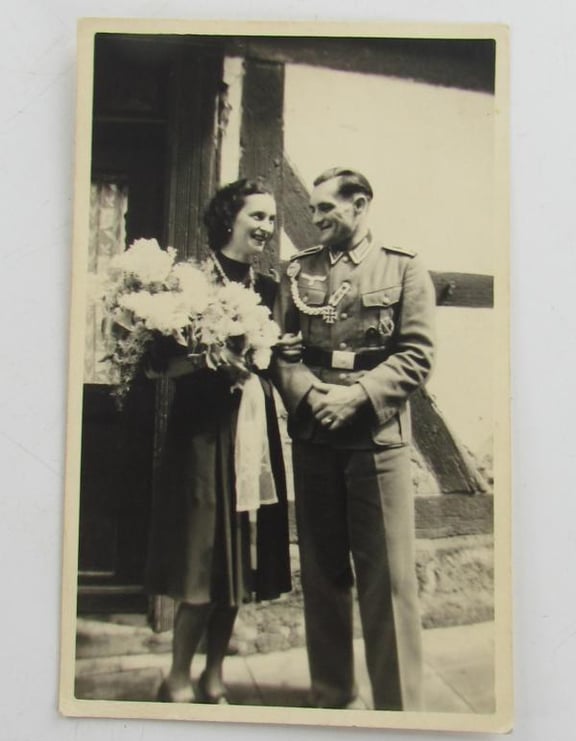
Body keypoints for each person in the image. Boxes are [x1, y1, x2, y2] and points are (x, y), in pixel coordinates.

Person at [273, 167, 435, 711]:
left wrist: (357, 397)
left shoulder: (404, 268)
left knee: (387, 580)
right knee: (321, 575)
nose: (315, 219)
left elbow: (416, 355)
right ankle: (333, 696)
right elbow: (278, 350)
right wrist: (309, 396)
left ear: (360, 204)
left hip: (376, 438)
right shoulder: (298, 270)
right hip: (315, 436)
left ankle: (400, 710)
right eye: (314, 209)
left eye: (327, 209)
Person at [146, 178, 291, 704]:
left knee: (240, 557)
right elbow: (159, 363)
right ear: (229, 217)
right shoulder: (189, 281)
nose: (267, 228)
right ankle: (178, 676)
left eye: (272, 220)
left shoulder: (271, 290)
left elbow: (278, 362)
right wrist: (206, 359)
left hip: (252, 433)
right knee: (202, 554)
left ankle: (213, 676)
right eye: (258, 216)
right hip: (203, 435)